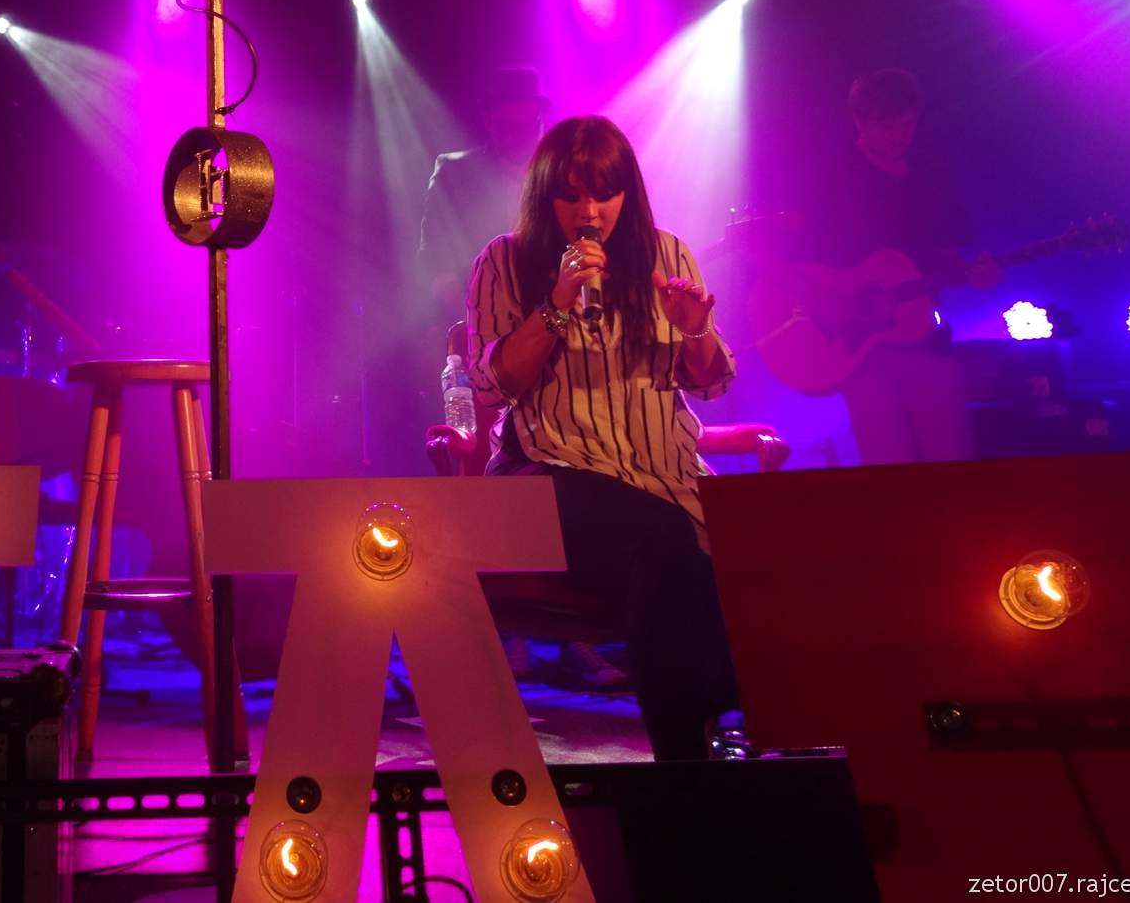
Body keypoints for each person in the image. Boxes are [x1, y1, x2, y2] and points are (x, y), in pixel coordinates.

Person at [465, 115, 739, 761]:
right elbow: (491, 386)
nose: (588, 212)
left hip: (662, 474)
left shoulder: (667, 254)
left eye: (604, 194)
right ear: (545, 195)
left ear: (627, 193)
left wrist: (696, 330)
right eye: (571, 196)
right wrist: (557, 303)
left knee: (708, 550)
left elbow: (709, 382)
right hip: (550, 471)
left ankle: (709, 750)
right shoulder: (505, 260)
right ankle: (691, 756)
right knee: (666, 539)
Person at [803, 68, 999, 465]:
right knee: (890, 470)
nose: (900, 136)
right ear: (859, 121)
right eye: (887, 127)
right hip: (866, 348)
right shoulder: (832, 178)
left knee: (951, 463)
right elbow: (802, 262)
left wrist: (974, 275)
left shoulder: (931, 175)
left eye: (907, 124)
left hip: (927, 336)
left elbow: (947, 254)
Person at [418, 66, 551, 322]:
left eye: (529, 125)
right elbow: (434, 255)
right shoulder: (455, 174)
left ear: (542, 120)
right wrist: (470, 320)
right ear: (488, 121)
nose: (519, 135)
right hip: (474, 313)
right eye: (508, 125)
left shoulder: (559, 174)